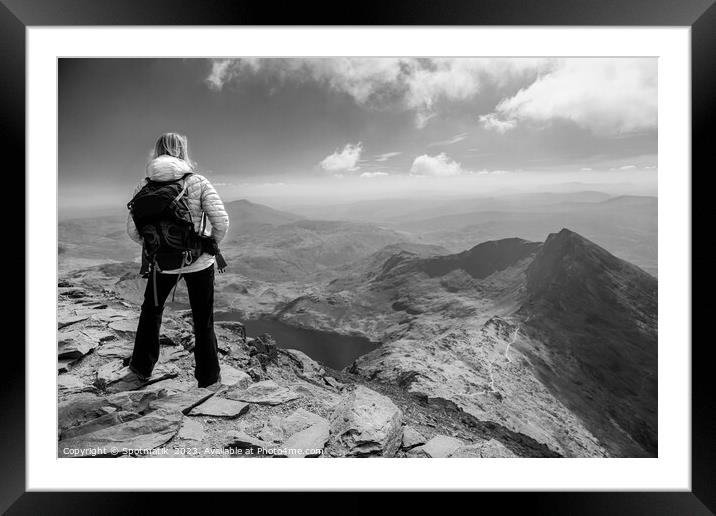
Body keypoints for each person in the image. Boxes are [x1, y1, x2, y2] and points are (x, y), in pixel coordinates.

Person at [125, 132, 229, 388]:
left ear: (157, 152)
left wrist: (158, 247)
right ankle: (208, 377)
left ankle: (141, 367)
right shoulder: (197, 181)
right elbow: (222, 222)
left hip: (161, 263)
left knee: (151, 311)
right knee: (202, 318)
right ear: (182, 151)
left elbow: (133, 230)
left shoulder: (144, 185)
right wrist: (207, 244)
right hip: (199, 262)